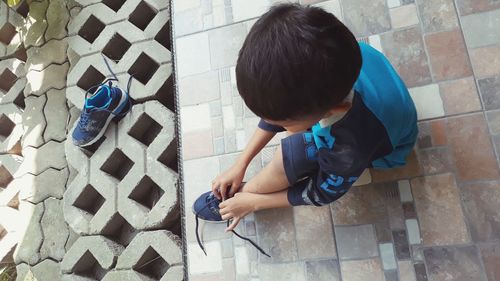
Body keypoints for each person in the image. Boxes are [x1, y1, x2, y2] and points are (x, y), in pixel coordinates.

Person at [193, 3, 418, 234]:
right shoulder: (338, 55)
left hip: (385, 147)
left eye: (283, 122)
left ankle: (245, 193)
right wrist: (240, 163)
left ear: (333, 109)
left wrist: (255, 202)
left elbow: (322, 193)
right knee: (294, 132)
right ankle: (244, 190)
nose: (279, 127)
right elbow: (280, 105)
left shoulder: (349, 149)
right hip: (374, 104)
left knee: (294, 153)